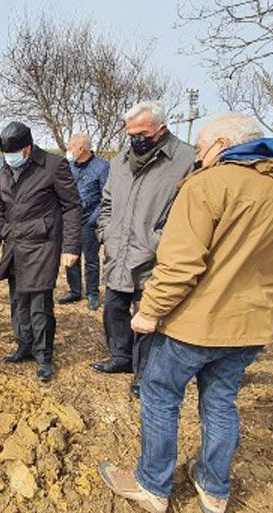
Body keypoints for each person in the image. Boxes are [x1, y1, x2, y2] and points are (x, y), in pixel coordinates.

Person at [99, 113, 273, 513]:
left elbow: (180, 265)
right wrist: (263, 303)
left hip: (192, 326)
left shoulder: (207, 185)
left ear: (222, 144)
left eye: (201, 148)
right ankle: (215, 489)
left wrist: (150, 311)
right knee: (220, 402)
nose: (198, 156)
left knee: (159, 396)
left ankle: (152, 485)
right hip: (249, 327)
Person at [92, 101, 195, 398]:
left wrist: (160, 240)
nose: (135, 139)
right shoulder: (120, 161)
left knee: (148, 317)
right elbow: (107, 202)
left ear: (161, 129)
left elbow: (188, 209)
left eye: (142, 134)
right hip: (119, 251)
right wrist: (106, 232)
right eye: (130, 134)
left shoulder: (186, 159)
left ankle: (144, 373)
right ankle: (121, 356)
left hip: (155, 256)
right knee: (114, 309)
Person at [0, 122, 82, 382]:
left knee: (39, 303)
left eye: (13, 153)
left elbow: (72, 207)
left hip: (42, 244)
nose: (9, 158)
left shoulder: (53, 166)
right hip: (14, 245)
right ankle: (24, 346)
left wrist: (70, 247)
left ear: (27, 149)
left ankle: (43, 356)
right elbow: (0, 210)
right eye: (6, 154)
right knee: (18, 300)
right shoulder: (4, 172)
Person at [60, 133, 109, 311]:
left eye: (71, 146)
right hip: (70, 221)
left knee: (91, 259)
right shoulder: (68, 166)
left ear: (81, 149)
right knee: (70, 255)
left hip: (90, 220)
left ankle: (92, 293)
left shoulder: (102, 168)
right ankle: (74, 291)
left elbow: (106, 197)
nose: (68, 149)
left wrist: (93, 220)